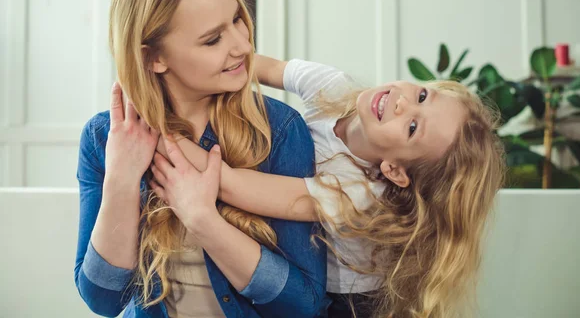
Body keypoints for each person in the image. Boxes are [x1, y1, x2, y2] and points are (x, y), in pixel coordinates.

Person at [74, 0, 328, 318]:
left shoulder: (280, 130)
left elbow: (302, 304)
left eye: (238, 19)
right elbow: (103, 300)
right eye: (213, 40)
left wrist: (202, 220)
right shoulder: (103, 137)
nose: (243, 45)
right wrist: (122, 179)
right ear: (153, 58)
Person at [151, 56, 506, 317]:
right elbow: (257, 66)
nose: (402, 102)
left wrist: (159, 129)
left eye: (412, 127)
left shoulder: (354, 194)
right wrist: (193, 67)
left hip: (346, 303)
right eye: (423, 96)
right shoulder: (334, 88)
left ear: (395, 170)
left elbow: (231, 185)